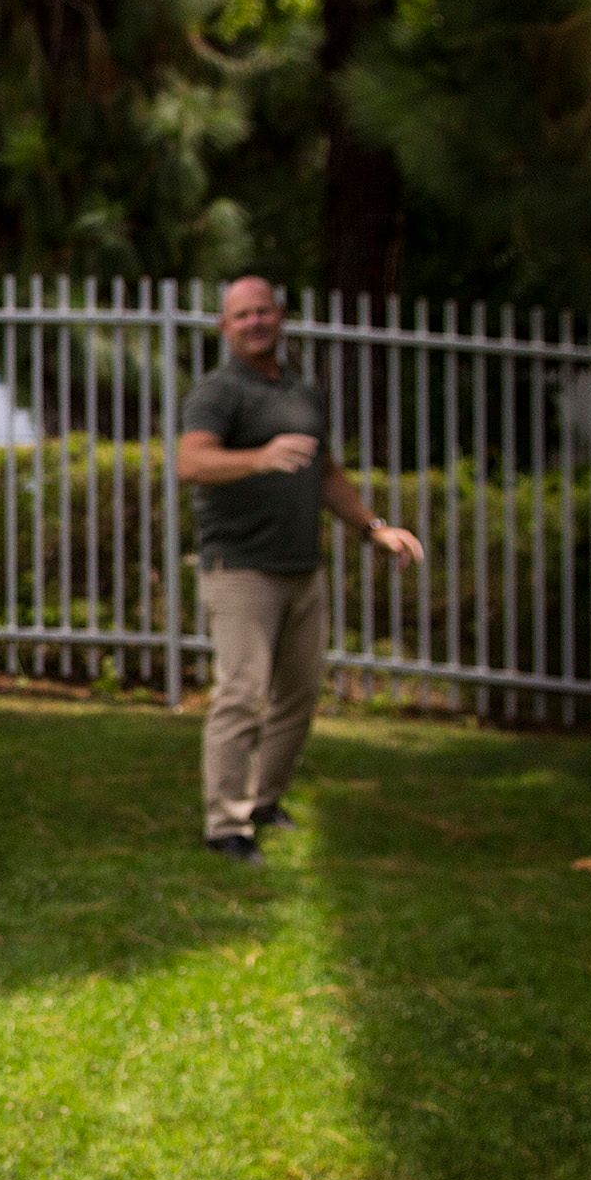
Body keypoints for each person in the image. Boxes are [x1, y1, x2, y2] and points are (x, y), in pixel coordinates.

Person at [174, 275, 423, 864]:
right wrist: (260, 457)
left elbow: (326, 471)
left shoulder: (303, 392)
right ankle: (225, 826)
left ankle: (264, 800)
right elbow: (192, 462)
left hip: (301, 568)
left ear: (281, 317)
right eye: (242, 315)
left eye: (264, 312)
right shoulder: (217, 392)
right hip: (240, 570)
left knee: (300, 694)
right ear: (224, 327)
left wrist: (371, 526)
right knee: (242, 695)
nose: (256, 322)